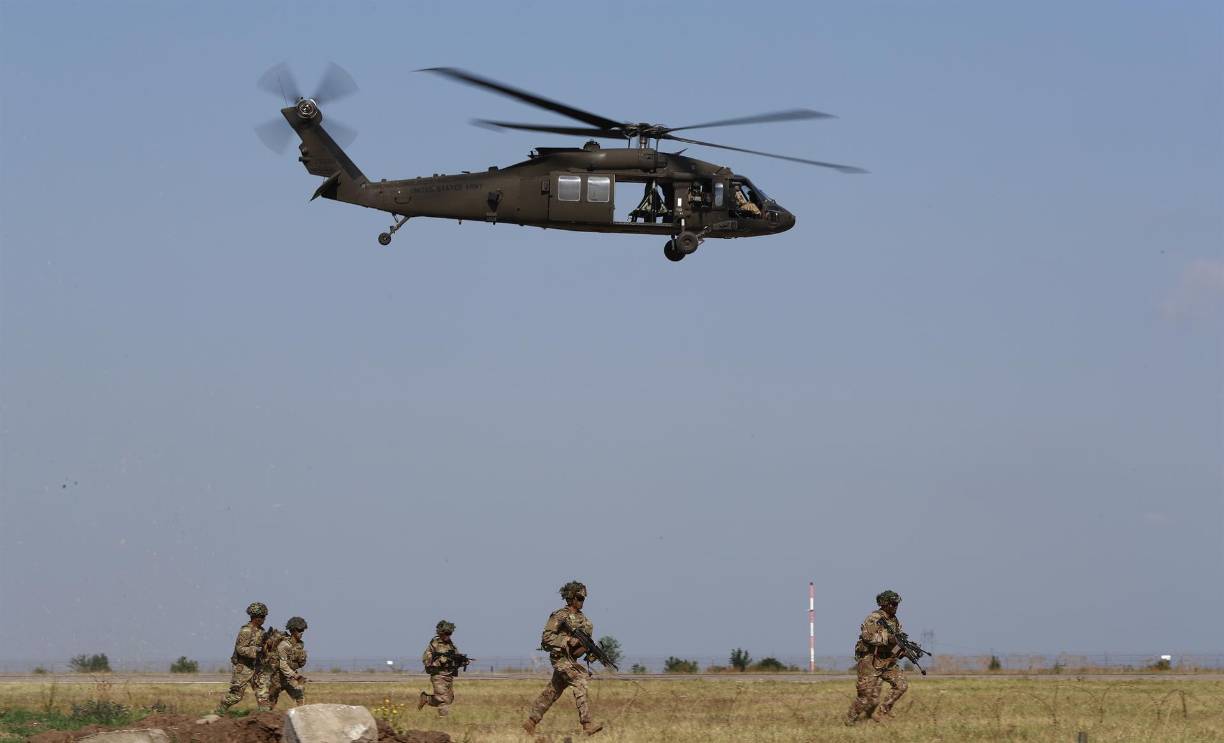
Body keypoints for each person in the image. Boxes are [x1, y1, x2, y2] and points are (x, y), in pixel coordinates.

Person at [523, 581, 602, 736]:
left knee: (552, 691)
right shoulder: (560, 616)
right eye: (579, 598)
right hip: (559, 659)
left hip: (571, 660)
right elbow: (546, 638)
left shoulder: (586, 623)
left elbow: (578, 653)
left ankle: (531, 722)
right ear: (570, 598)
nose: (582, 602)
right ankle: (587, 724)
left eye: (583, 599)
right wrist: (566, 641)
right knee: (580, 681)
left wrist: (587, 649)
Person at [845, 590, 910, 725]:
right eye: (892, 604)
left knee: (901, 685)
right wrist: (889, 638)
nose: (895, 606)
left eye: (897, 604)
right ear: (884, 604)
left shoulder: (894, 621)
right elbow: (867, 636)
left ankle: (882, 713)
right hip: (869, 661)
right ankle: (850, 720)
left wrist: (901, 652)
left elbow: (893, 644)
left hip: (886, 662)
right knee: (865, 698)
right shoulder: (874, 618)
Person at [216, 602, 271, 714]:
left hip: (257, 668)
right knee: (236, 696)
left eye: (264, 616)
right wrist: (256, 650)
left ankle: (265, 718)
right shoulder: (246, 631)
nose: (264, 619)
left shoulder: (262, 631)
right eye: (262, 617)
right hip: (244, 668)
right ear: (255, 617)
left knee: (263, 693)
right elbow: (240, 649)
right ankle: (218, 713)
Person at [418, 620, 465, 716]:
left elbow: (456, 656)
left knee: (449, 699)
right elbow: (426, 659)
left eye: (449, 633)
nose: (448, 636)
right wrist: (439, 661)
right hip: (438, 675)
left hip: (448, 676)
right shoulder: (434, 644)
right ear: (440, 633)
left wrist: (461, 661)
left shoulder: (451, 645)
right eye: (446, 633)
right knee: (442, 700)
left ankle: (426, 698)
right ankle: (443, 720)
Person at [264, 616, 309, 710]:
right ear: (292, 631)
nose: (302, 632)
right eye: (299, 630)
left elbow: (298, 662)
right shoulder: (284, 645)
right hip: (277, 679)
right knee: (270, 704)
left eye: (303, 630)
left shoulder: (299, 644)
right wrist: (295, 676)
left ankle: (300, 718)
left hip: (289, 679)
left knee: (299, 696)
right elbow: (283, 665)